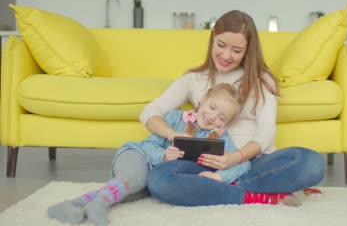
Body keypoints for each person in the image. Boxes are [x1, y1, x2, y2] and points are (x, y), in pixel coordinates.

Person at [143, 10, 325, 207]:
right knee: (159, 179)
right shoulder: (193, 79)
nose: (226, 55)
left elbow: (266, 133)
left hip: (254, 162)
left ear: (248, 50)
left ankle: (220, 187)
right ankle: (252, 195)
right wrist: (172, 135)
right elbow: (149, 113)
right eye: (221, 45)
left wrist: (235, 158)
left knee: (312, 163)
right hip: (205, 165)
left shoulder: (261, 80)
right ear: (213, 38)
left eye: (236, 51)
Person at [47, 83, 250, 226]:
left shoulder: (220, 139)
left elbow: (244, 165)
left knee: (128, 193)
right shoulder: (175, 118)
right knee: (134, 178)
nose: (212, 116)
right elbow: (149, 145)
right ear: (204, 99)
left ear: (227, 122)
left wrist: (220, 175)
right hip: (138, 155)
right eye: (212, 107)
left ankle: (73, 205)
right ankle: (98, 206)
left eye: (221, 116)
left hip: (153, 180)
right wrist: (164, 156)